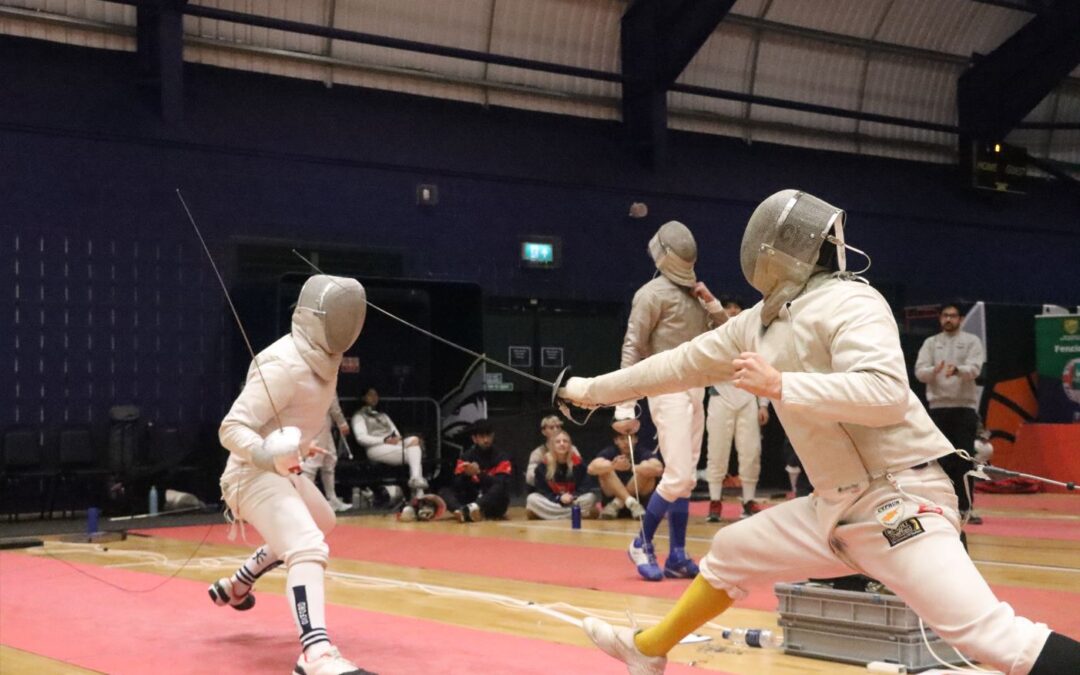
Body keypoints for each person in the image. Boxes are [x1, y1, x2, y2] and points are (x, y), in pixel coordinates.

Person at [559, 190, 1078, 675]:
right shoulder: (756, 324)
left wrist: (781, 384)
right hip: (831, 507)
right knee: (732, 550)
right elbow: (676, 365)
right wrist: (589, 390)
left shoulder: (854, 302)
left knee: (993, 639)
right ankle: (648, 651)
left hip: (898, 498)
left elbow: (885, 393)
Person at [213, 274, 375, 675]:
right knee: (307, 546)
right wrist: (269, 455)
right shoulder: (282, 363)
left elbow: (290, 416)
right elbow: (231, 428)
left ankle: (240, 582)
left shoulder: (323, 358)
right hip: (249, 473)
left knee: (323, 520)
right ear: (316, 318)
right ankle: (315, 653)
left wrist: (301, 447)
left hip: (281, 467)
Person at [619, 220, 728, 581]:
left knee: (683, 479)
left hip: (695, 388)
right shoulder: (650, 294)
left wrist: (712, 304)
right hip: (665, 389)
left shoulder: (695, 295)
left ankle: (677, 554)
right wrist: (623, 403)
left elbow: (726, 337)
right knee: (678, 473)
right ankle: (641, 543)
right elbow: (633, 345)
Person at [915, 303, 986, 524]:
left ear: (961, 319)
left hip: (964, 408)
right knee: (940, 461)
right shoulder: (931, 343)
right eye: (945, 315)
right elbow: (919, 373)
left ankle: (966, 508)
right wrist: (933, 370)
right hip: (937, 409)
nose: (948, 319)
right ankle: (942, 507)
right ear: (940, 319)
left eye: (953, 316)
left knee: (964, 460)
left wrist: (958, 370)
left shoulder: (972, 342)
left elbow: (976, 368)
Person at [704, 296, 770, 522]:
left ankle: (748, 501)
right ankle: (714, 501)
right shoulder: (712, 334)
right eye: (727, 307)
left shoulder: (753, 335)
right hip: (720, 397)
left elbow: (763, 367)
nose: (732, 310)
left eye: (736, 306)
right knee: (716, 451)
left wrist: (763, 404)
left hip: (748, 396)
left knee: (751, 451)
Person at [351, 387, 427, 498]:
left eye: (376, 395)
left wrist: (395, 440)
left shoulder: (383, 416)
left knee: (414, 440)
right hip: (375, 448)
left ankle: (415, 479)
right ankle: (419, 493)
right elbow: (361, 438)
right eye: (370, 395)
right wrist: (383, 440)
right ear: (363, 398)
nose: (374, 397)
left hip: (392, 444)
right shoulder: (359, 416)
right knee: (414, 455)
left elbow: (396, 434)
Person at [588, 417, 663, 520]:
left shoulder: (642, 452)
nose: (626, 442)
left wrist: (631, 467)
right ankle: (629, 502)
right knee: (605, 469)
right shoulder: (610, 452)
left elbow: (659, 469)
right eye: (622, 439)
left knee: (646, 468)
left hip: (639, 509)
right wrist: (613, 466)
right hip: (613, 508)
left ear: (636, 440)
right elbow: (591, 468)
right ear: (616, 441)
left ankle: (618, 503)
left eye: (629, 438)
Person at [440, 419, 511, 522]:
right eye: (482, 437)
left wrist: (479, 473)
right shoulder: (466, 457)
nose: (486, 440)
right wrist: (466, 475)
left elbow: (500, 484)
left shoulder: (502, 457)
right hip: (471, 497)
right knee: (444, 492)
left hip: (492, 503)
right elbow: (456, 485)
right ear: (474, 439)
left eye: (488, 436)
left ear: (493, 436)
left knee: (499, 488)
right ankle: (461, 511)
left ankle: (473, 509)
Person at [524, 429, 598, 519]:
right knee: (532, 499)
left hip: (572, 501)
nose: (562, 444)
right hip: (554, 502)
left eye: (565, 441)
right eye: (558, 442)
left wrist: (572, 496)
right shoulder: (543, 465)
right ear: (552, 445)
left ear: (569, 445)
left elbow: (585, 487)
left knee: (590, 497)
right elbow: (542, 491)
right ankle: (574, 514)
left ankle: (549, 516)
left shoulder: (578, 463)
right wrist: (559, 498)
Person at [301, 395, 352, 512]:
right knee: (314, 460)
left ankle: (331, 498)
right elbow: (331, 399)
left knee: (329, 458)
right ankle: (304, 501)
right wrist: (342, 422)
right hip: (319, 417)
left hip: (317, 416)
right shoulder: (327, 377)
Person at [524, 414, 582, 489]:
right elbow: (530, 477)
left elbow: (581, 472)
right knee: (532, 499)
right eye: (551, 428)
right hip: (547, 492)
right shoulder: (537, 453)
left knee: (589, 496)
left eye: (558, 427)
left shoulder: (572, 449)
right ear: (544, 432)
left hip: (569, 489)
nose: (556, 430)